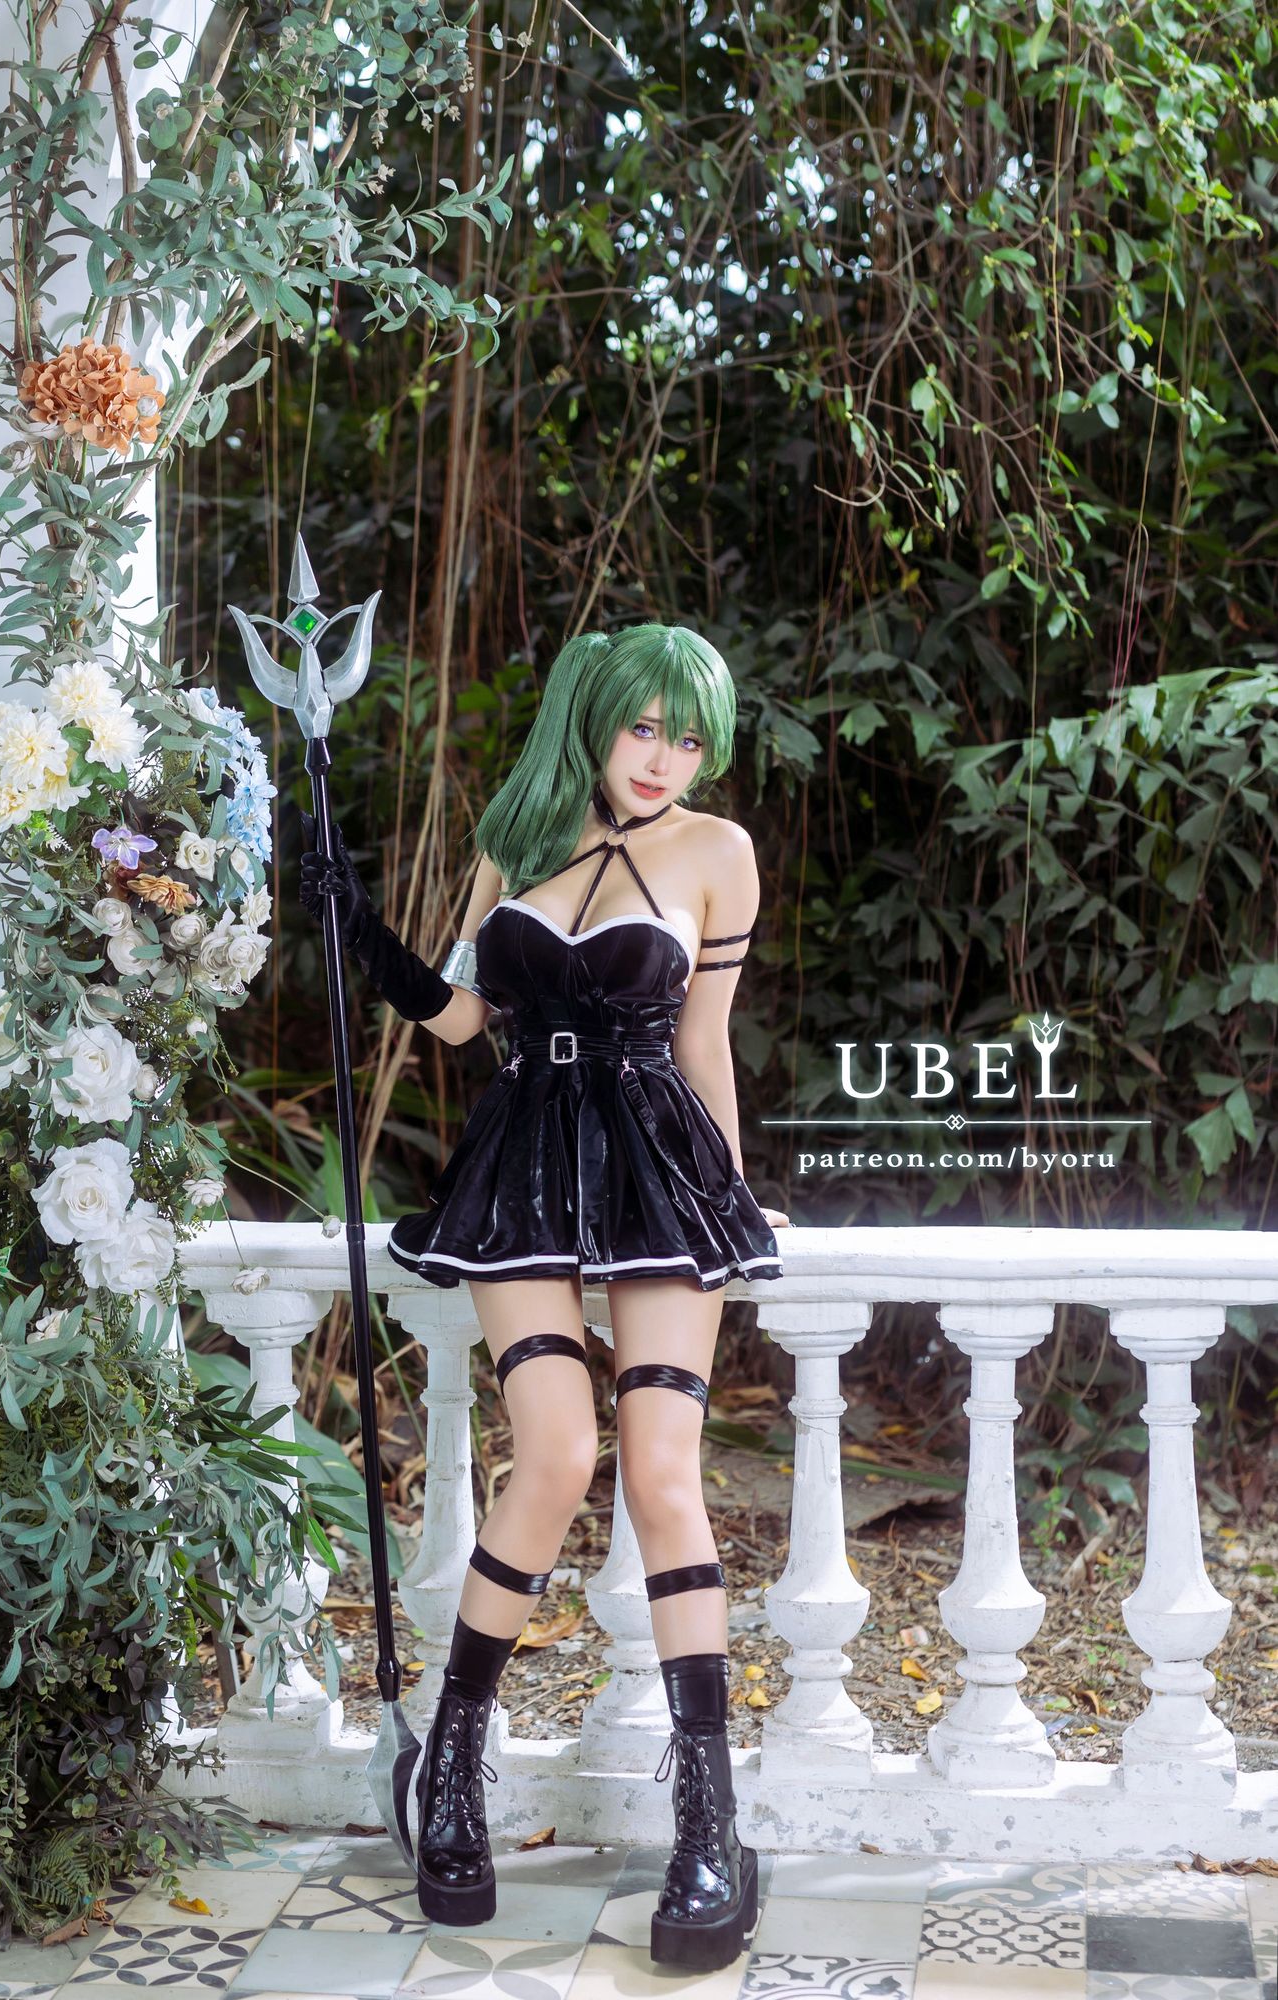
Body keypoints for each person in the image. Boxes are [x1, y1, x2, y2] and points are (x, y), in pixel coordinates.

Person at [299, 623, 790, 1974]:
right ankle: (451, 1764)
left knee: (662, 1474)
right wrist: (358, 927)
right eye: (644, 727)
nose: (665, 759)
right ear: (596, 717)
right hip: (521, 1167)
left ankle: (708, 1826)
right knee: (559, 1453)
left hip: (657, 1169)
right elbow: (461, 1020)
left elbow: (702, 1042)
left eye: (689, 738)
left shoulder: (717, 852)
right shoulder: (516, 839)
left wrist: (732, 1202)